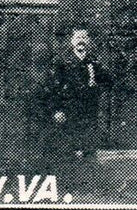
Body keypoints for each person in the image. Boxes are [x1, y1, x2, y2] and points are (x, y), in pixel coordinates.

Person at [46, 28, 113, 186]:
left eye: (84, 37)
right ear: (72, 41)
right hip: (69, 113)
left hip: (88, 113)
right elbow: (53, 89)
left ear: (89, 41)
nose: (81, 40)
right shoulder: (62, 63)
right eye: (77, 37)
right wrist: (57, 110)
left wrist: (96, 85)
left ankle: (89, 185)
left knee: (89, 148)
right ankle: (67, 184)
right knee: (68, 148)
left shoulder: (93, 63)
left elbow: (109, 81)